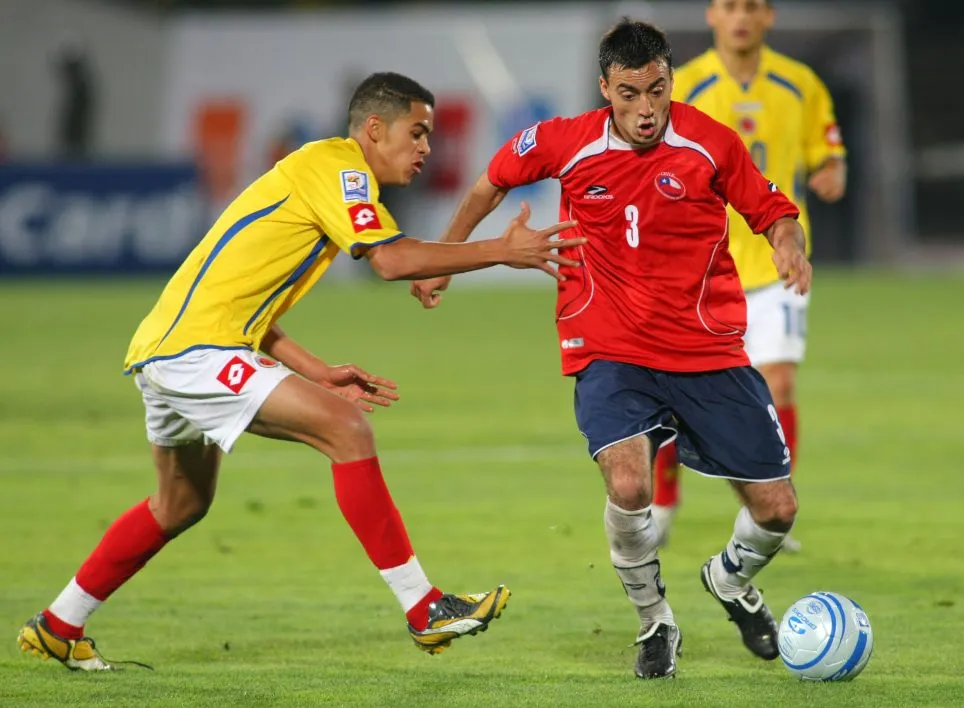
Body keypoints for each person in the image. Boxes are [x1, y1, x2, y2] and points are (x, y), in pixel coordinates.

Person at [17, 72, 582, 671]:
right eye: (416, 133)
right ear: (373, 128)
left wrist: (319, 370)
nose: (425, 149)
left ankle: (58, 624)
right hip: (196, 352)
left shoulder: (322, 179)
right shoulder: (341, 169)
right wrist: (501, 249)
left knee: (179, 504)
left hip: (173, 348)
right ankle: (425, 609)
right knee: (348, 431)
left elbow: (246, 300)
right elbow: (389, 261)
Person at [409, 20, 810, 679]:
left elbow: (770, 209)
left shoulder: (710, 144)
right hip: (608, 345)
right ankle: (655, 622)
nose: (646, 109)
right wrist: (448, 258)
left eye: (657, 90)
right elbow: (489, 182)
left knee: (777, 509)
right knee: (627, 482)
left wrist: (787, 241)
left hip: (707, 349)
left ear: (670, 81)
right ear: (605, 89)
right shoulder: (565, 141)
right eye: (630, 94)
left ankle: (731, 581)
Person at [652, 0, 847, 551]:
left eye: (752, 6)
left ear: (769, 17)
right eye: (730, 6)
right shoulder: (683, 86)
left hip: (775, 262)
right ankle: (664, 502)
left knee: (778, 383)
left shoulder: (800, 83)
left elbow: (828, 154)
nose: (741, 16)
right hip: (700, 269)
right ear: (712, 15)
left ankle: (771, 510)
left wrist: (832, 172)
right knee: (674, 391)